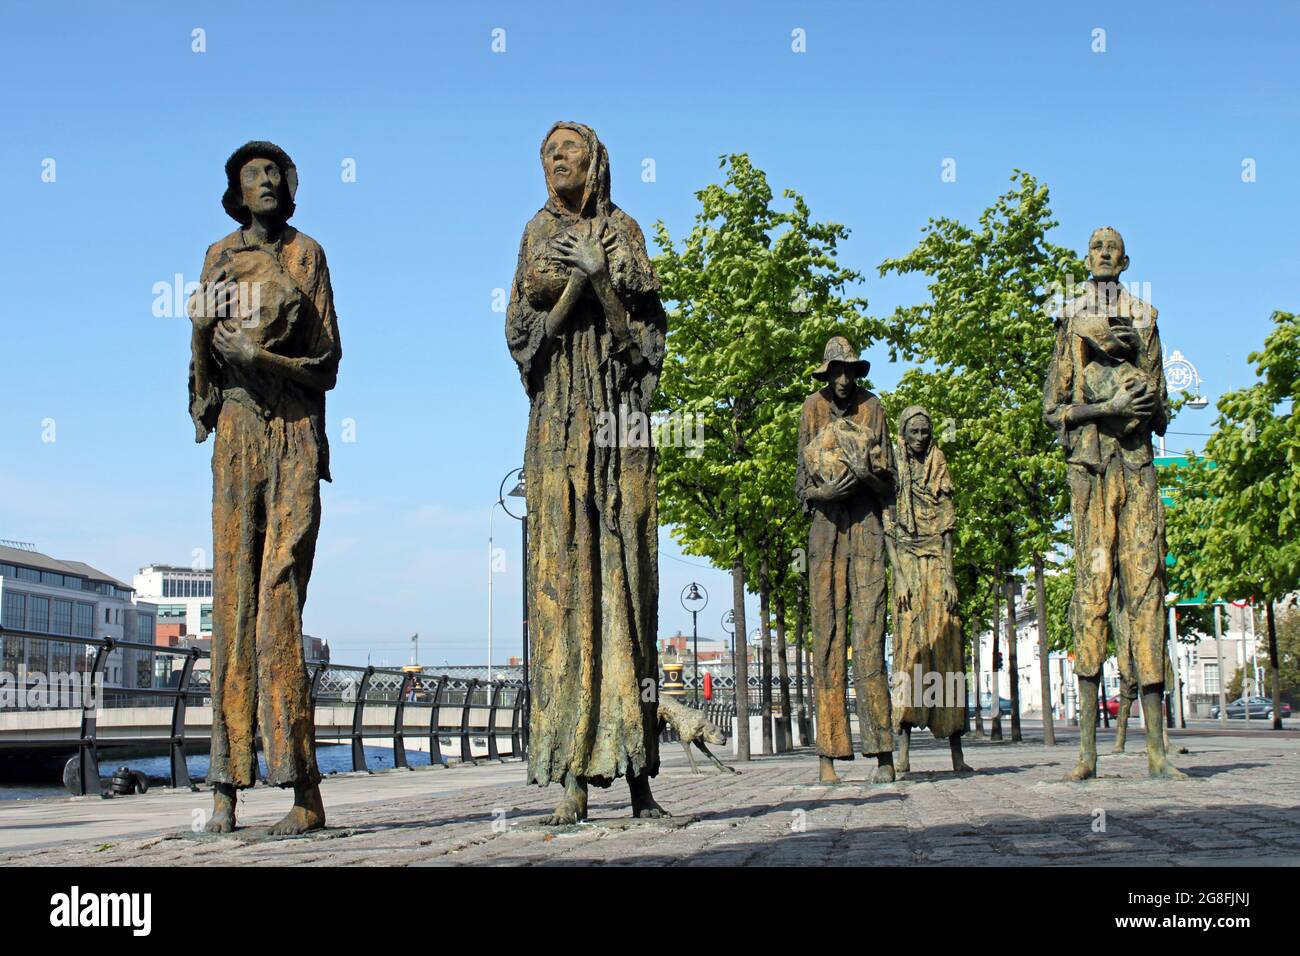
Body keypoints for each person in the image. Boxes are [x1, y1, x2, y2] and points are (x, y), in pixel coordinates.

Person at [506, 122, 668, 823]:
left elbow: (645, 350)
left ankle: (637, 774)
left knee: (627, 576)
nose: (555, 160)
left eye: (567, 149)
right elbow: (523, 332)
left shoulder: (622, 230)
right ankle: (571, 774)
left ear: (595, 160)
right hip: (557, 421)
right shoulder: (534, 232)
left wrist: (601, 281)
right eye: (547, 153)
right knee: (563, 585)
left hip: (619, 420)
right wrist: (570, 287)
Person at [188, 141, 342, 833]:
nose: (267, 181)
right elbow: (204, 380)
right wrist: (199, 335)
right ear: (237, 191)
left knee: (278, 597)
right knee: (233, 599)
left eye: (275, 172)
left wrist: (264, 355)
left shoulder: (308, 255)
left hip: (295, 435)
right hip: (238, 435)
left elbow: (329, 364)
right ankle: (224, 786)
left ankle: (303, 792)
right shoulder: (220, 255)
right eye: (254, 174)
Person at [1042, 226, 1184, 781]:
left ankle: (1156, 753)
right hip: (1091, 470)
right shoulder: (1072, 318)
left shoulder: (1145, 316)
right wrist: (1105, 407)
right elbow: (1055, 409)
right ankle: (1086, 754)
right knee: (1091, 591)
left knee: (1146, 587)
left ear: (1125, 261)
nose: (1103, 255)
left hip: (1138, 468)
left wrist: (1141, 402)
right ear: (1088, 258)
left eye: (1112, 249)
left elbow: (1161, 403)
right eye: (1095, 248)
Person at [795, 336, 897, 784]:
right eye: (834, 371)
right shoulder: (810, 409)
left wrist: (865, 475)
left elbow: (889, 482)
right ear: (826, 374)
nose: (841, 379)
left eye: (848, 371)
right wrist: (824, 492)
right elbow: (801, 486)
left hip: (867, 525)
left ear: (856, 373)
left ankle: (883, 753)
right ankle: (828, 755)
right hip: (825, 526)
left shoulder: (873, 408)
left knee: (870, 632)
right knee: (828, 634)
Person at [884, 405, 974, 774]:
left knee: (947, 651)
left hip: (937, 563)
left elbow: (947, 524)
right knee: (910, 653)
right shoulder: (893, 467)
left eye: (925, 432)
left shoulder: (940, 463)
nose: (920, 438)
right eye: (913, 432)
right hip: (906, 562)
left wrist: (950, 575)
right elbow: (888, 524)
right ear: (903, 434)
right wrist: (900, 575)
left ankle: (956, 753)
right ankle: (902, 751)